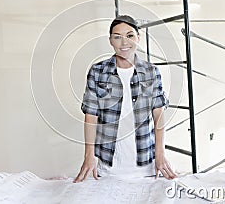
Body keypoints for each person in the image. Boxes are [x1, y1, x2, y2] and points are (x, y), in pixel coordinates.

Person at [73, 15, 176, 183]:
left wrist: (160, 154)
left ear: (138, 38)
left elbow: (158, 116)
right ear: (110, 41)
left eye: (130, 35)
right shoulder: (97, 71)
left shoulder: (151, 72)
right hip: (108, 169)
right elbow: (91, 116)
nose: (124, 42)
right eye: (117, 37)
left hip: (147, 167)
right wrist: (89, 156)